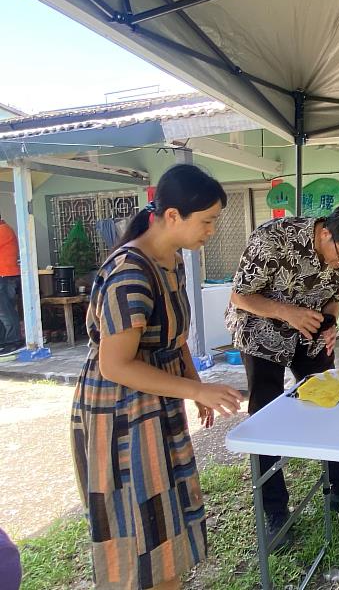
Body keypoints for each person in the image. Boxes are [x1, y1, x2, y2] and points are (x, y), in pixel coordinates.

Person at [71, 164, 242, 590]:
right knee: (137, 522)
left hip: (156, 400)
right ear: (171, 217)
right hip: (120, 413)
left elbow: (175, 337)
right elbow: (117, 365)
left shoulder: (172, 260)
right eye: (206, 221)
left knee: (165, 513)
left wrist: (193, 387)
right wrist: (195, 387)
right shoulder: (130, 272)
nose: (211, 231)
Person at [226, 204, 339, 545]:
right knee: (265, 420)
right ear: (326, 233)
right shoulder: (272, 239)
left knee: (333, 406)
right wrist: (287, 312)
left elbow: (332, 301)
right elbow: (239, 295)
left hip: (309, 334)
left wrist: (330, 324)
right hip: (260, 334)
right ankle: (275, 512)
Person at [0, 213, 23, 356]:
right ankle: (4, 341)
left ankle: (13, 340)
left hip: (5, 276)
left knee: (5, 311)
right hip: (5, 276)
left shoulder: (3, 230)